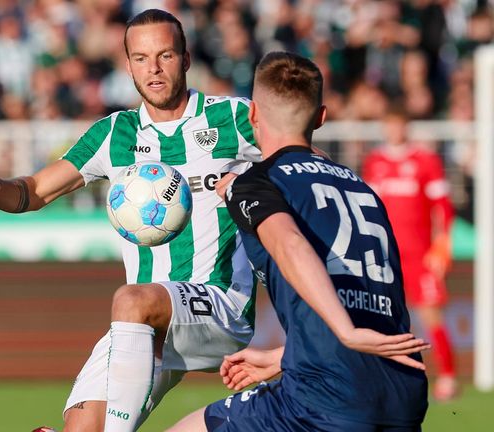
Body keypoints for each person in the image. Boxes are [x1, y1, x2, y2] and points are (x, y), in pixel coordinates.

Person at [0, 9, 261, 432]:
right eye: (140, 58)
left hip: (219, 305)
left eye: (165, 56)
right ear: (127, 66)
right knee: (82, 426)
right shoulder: (113, 134)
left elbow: (303, 160)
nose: (153, 69)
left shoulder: (233, 118)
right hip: (144, 324)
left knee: (131, 299)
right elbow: (35, 191)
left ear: (187, 59)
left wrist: (262, 189)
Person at [168, 51, 429, 432]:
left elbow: (289, 244)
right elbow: (367, 296)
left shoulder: (258, 182)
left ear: (253, 114)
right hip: (401, 392)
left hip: (325, 396)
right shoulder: (363, 188)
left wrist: (345, 331)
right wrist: (286, 357)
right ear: (321, 117)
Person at [362, 106, 459, 401]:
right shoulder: (375, 162)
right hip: (386, 255)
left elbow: (443, 205)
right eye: (390, 125)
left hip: (421, 255)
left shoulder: (425, 161)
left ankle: (448, 376)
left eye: (399, 125)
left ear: (407, 127)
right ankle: (388, 377)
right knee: (384, 316)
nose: (395, 131)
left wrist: (442, 243)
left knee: (431, 315)